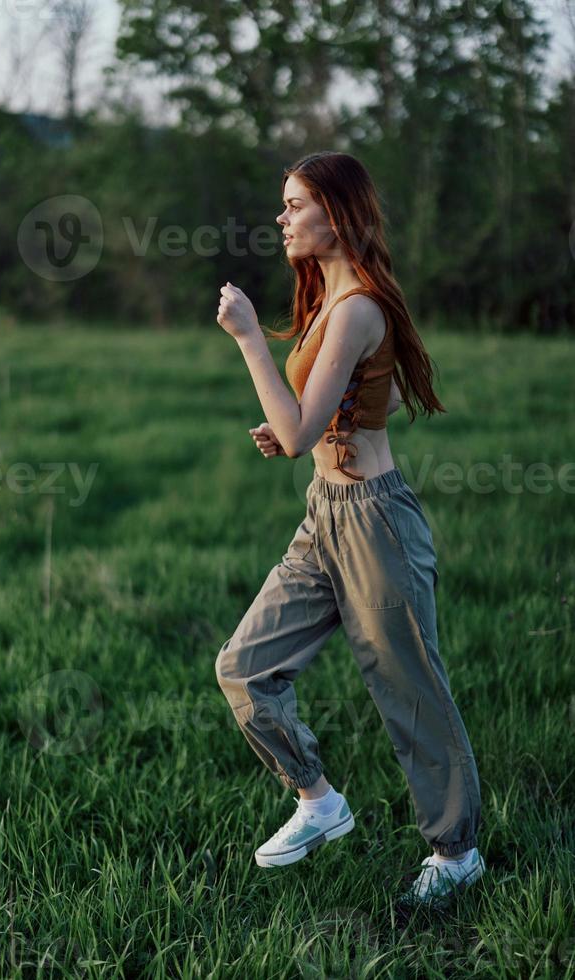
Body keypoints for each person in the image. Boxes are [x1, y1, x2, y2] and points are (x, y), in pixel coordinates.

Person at [214, 151, 485, 909]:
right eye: (283, 203)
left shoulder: (360, 305)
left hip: (375, 526)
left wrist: (247, 340)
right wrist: (307, 427)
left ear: (337, 213)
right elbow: (369, 402)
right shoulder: (335, 299)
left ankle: (457, 852)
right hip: (323, 517)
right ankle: (319, 801)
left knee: (410, 692)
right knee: (243, 668)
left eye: (295, 204)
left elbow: (301, 430)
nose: (282, 217)